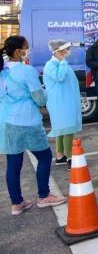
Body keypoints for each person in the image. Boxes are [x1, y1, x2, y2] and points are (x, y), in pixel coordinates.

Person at [0, 36, 66, 216]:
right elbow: (39, 97)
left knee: (13, 164)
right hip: (27, 120)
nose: (27, 50)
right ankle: (44, 196)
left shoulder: (2, 70)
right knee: (44, 156)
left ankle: (17, 203)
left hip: (7, 121)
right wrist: (44, 95)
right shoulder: (26, 71)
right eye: (25, 48)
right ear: (17, 52)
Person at [43, 40, 82, 170]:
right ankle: (70, 158)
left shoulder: (59, 63)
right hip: (60, 102)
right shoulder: (51, 65)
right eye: (65, 49)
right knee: (68, 128)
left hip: (65, 100)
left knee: (61, 129)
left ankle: (60, 156)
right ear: (58, 51)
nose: (68, 51)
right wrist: (63, 61)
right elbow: (59, 77)